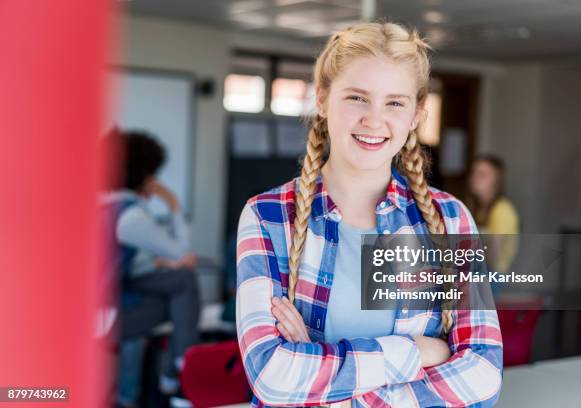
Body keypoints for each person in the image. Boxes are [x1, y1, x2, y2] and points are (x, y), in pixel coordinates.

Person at [235, 22, 503, 407]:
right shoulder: (268, 216)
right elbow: (273, 378)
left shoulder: (450, 218)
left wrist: (320, 374)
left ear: (416, 114)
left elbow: (482, 376)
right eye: (357, 98)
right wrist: (416, 351)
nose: (374, 120)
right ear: (323, 100)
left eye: (394, 102)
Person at [101, 130, 200, 408]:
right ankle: (180, 374)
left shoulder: (104, 207)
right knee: (184, 282)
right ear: (147, 176)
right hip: (105, 317)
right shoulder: (132, 215)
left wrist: (157, 263)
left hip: (107, 301)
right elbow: (182, 253)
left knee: (180, 288)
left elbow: (118, 263)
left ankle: (176, 371)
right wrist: (174, 206)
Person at [467, 154, 520, 285]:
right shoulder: (478, 209)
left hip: (492, 276)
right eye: (474, 172)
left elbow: (494, 256)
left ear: (496, 181)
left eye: (482, 175)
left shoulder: (502, 210)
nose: (475, 177)